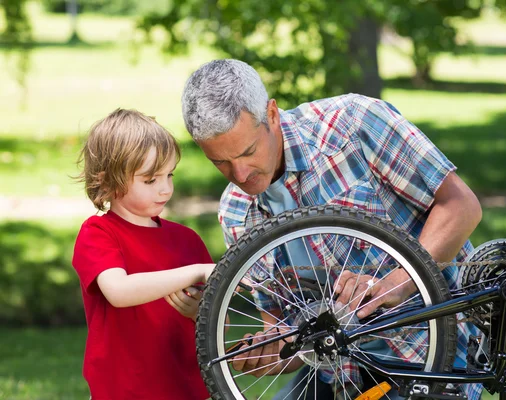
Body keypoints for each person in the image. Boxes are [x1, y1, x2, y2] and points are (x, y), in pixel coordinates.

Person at [181, 59, 483, 399]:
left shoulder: (354, 124)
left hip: (431, 355)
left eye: (248, 152)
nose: (239, 175)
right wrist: (271, 351)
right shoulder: (236, 211)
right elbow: (282, 329)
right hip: (340, 375)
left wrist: (396, 284)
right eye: (220, 162)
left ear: (272, 115)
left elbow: (461, 206)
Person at [72, 109, 214, 400]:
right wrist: (196, 271)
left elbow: (221, 318)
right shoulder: (98, 233)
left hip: (185, 389)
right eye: (150, 180)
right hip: (123, 390)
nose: (165, 189)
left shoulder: (187, 240)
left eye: (169, 175)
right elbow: (119, 291)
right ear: (108, 181)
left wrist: (201, 311)